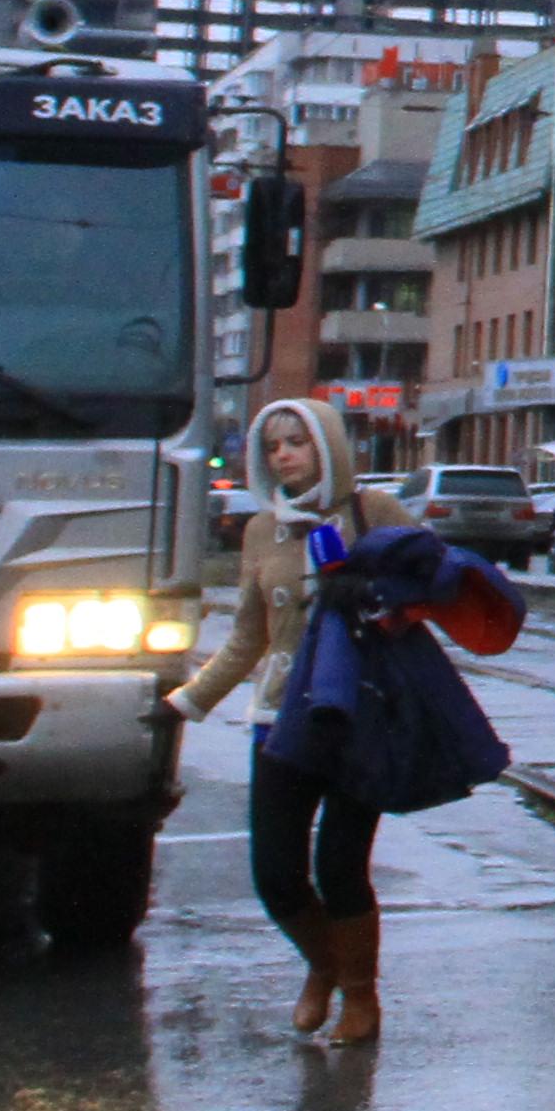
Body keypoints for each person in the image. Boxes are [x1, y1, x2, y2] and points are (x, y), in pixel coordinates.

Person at [169, 397, 410, 1043]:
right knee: (275, 873)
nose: (283, 455)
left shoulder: (374, 513)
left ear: (326, 445)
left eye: (296, 442)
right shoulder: (260, 530)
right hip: (279, 718)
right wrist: (187, 701)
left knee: (341, 863)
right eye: (273, 445)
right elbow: (249, 636)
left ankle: (360, 996)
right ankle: (324, 965)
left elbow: (428, 589)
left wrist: (379, 598)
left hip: (359, 713)